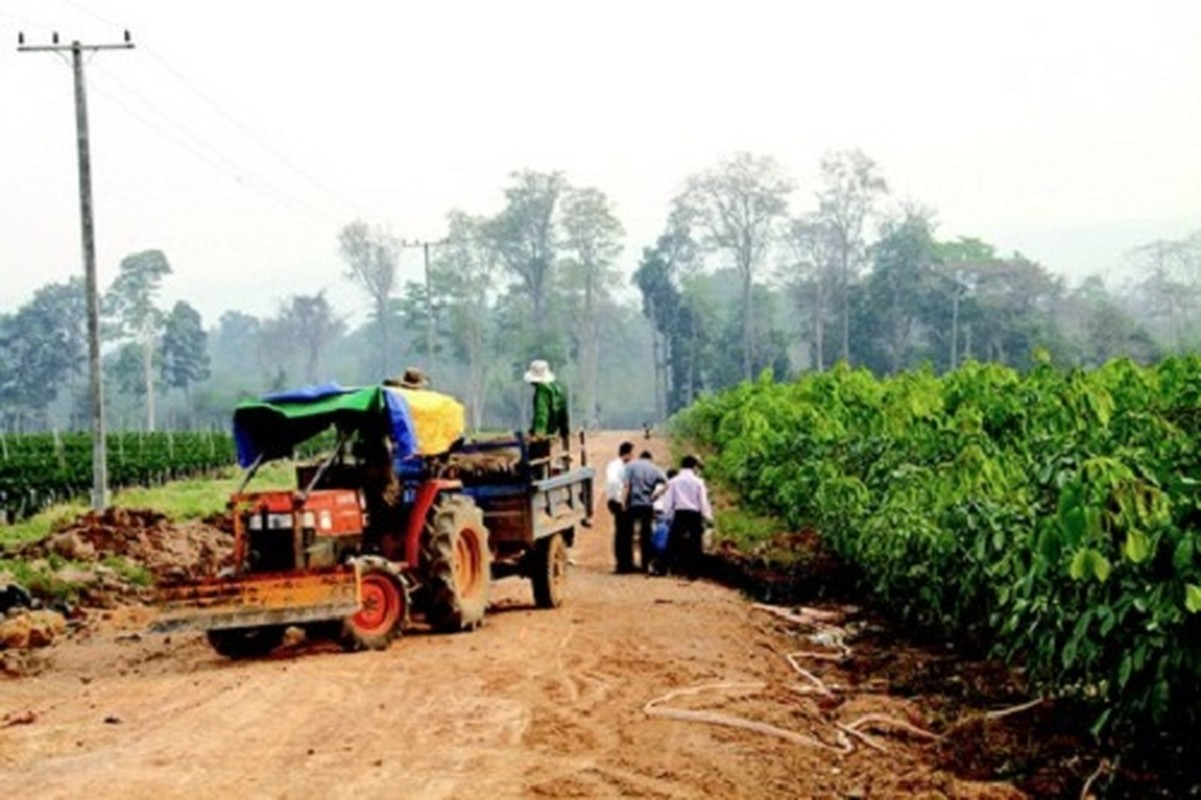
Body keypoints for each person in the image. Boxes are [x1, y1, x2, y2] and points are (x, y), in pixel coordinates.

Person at [661, 455, 713, 579]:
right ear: (694, 466)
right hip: (694, 514)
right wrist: (708, 517)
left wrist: (666, 515)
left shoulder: (674, 481)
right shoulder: (698, 482)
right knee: (695, 543)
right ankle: (693, 572)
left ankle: (665, 568)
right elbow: (703, 501)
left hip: (680, 513)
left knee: (672, 541)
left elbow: (669, 501)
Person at [623, 450, 666, 573]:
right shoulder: (655, 468)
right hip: (647, 505)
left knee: (628, 534)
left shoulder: (631, 466)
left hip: (633, 504)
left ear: (640, 457)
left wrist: (623, 502)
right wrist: (655, 495)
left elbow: (626, 486)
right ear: (650, 458)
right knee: (646, 535)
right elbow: (666, 484)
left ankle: (628, 564)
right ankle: (644, 565)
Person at [524, 359, 570, 450]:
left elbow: (542, 412)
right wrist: (564, 431)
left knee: (534, 455)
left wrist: (539, 432)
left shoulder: (542, 390)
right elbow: (563, 413)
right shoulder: (559, 388)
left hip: (544, 431)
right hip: (553, 427)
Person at [605, 441, 636, 573]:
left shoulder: (623, 466)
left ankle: (627, 563)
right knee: (622, 533)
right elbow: (613, 482)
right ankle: (622, 564)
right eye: (632, 453)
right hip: (619, 502)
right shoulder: (616, 466)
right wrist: (621, 500)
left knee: (627, 533)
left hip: (621, 501)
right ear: (627, 453)